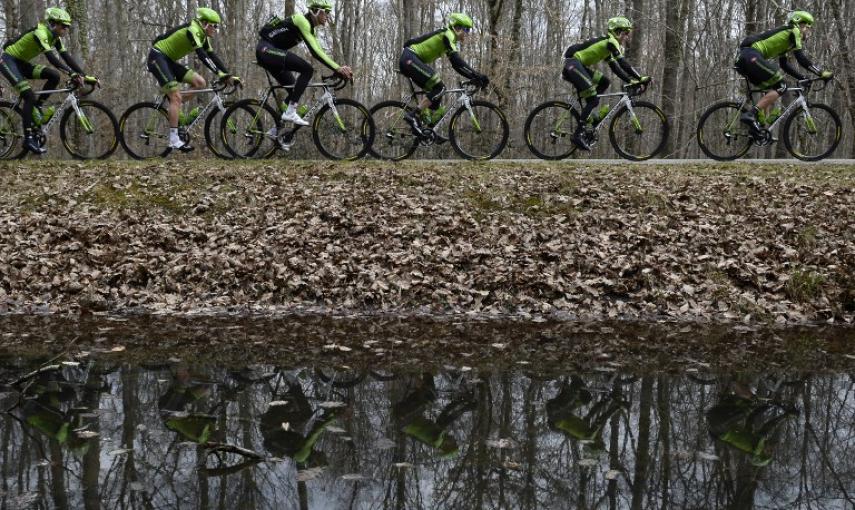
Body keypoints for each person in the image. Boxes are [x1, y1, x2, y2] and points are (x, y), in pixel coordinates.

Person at [0, 7, 99, 154]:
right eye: (64, 26)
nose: (66, 29)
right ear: (54, 23)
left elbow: (66, 58)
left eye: (68, 26)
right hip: (8, 61)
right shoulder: (41, 33)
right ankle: (28, 139)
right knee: (29, 95)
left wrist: (84, 75)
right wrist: (71, 73)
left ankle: (37, 107)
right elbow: (52, 58)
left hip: (22, 64)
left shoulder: (55, 38)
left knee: (54, 76)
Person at [147, 7, 241, 152]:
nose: (215, 29)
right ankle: (173, 139)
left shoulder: (203, 36)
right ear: (204, 23)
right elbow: (202, 56)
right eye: (214, 25)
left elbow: (213, 56)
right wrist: (219, 74)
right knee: (176, 96)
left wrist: (227, 75)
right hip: (157, 57)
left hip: (169, 60)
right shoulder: (194, 30)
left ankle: (176, 109)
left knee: (200, 82)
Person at [256, 0, 353, 128]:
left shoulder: (311, 30)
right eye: (326, 12)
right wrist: (338, 68)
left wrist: (336, 68)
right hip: (266, 50)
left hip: (272, 54)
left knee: (294, 91)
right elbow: (315, 52)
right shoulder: (301, 20)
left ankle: (275, 132)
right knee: (307, 69)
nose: (328, 16)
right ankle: (290, 112)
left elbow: (319, 51)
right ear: (315, 11)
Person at [561, 16, 650, 150]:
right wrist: (639, 78)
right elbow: (623, 63)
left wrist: (631, 81)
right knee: (592, 99)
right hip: (572, 63)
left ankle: (591, 116)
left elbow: (616, 68)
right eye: (626, 33)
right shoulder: (611, 41)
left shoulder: (608, 47)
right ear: (617, 31)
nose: (627, 37)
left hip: (577, 64)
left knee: (604, 82)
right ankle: (577, 135)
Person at [736, 10, 832, 133]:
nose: (809, 32)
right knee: (782, 86)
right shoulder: (793, 30)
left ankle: (757, 121)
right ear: (800, 24)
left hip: (744, 59)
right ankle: (752, 114)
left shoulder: (786, 41)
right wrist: (820, 73)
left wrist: (801, 77)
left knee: (773, 87)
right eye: (808, 28)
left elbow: (784, 65)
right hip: (750, 55)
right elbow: (800, 57)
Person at [399, 13, 488, 136]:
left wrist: (474, 76)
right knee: (439, 87)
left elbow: (456, 65)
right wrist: (476, 75)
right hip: (410, 59)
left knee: (437, 95)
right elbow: (457, 62)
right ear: (457, 28)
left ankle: (428, 131)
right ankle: (413, 115)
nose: (467, 33)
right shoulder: (448, 34)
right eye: (466, 29)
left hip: (410, 59)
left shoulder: (449, 39)